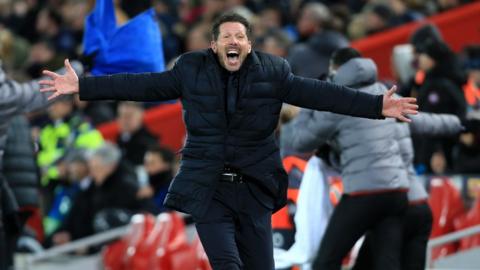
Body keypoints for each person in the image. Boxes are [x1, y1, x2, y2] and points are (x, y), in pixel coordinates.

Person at [39, 13, 417, 270]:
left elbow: (322, 94)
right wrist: (83, 85)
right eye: (226, 37)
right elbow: (141, 84)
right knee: (227, 265)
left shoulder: (274, 71)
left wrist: (376, 105)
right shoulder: (189, 69)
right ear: (215, 45)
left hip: (255, 188)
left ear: (249, 45)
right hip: (209, 187)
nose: (233, 41)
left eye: (240, 36)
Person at [281, 48, 413, 270]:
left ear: (337, 70)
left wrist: (309, 101)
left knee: (325, 261)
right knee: (386, 263)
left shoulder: (339, 100)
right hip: (398, 191)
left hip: (364, 192)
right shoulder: (386, 94)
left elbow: (300, 142)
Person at [353, 113, 463, 270]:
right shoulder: (396, 111)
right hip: (417, 205)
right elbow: (429, 123)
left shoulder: (365, 116)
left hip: (394, 205)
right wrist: (459, 122)